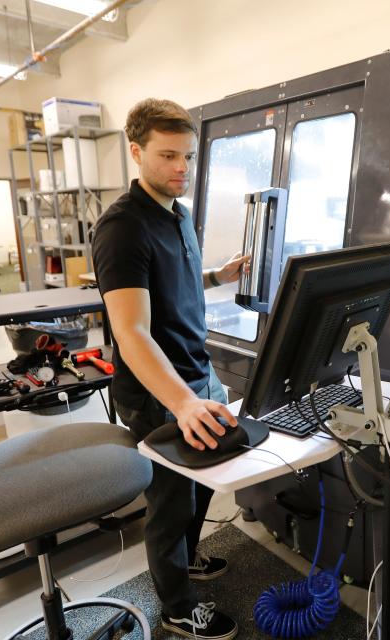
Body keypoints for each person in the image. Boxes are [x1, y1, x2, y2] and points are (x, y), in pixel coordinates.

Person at [92, 98, 250, 640]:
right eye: (167, 156)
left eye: (188, 156)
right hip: (159, 392)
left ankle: (187, 559)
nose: (182, 168)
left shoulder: (177, 214)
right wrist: (181, 401)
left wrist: (217, 276)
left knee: (203, 483)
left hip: (197, 374)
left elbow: (172, 283)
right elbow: (131, 331)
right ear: (135, 152)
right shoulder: (121, 229)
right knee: (169, 502)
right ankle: (178, 608)